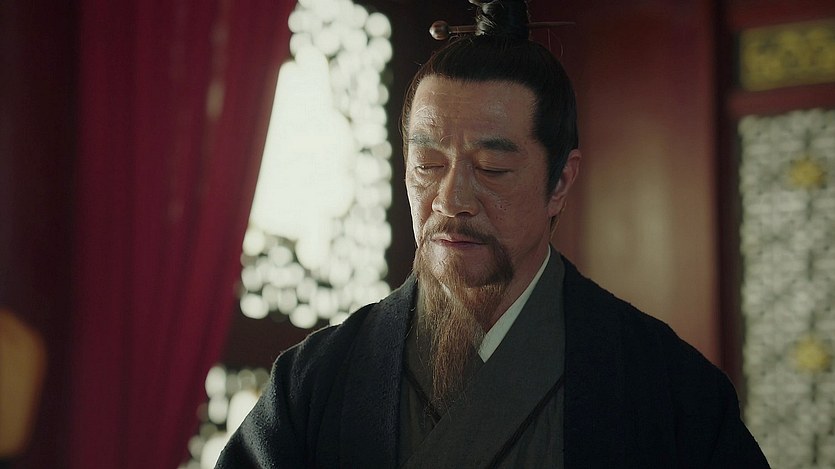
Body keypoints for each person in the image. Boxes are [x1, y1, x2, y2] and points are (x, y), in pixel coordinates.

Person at [216, 0, 769, 467]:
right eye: (428, 165)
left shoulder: (666, 386)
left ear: (560, 182)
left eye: (492, 169)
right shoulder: (316, 381)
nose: (450, 200)